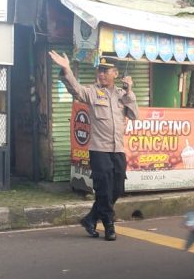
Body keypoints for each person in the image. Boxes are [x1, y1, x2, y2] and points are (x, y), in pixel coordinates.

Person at [48, 51, 138, 241]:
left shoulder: (123, 95)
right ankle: (109, 224)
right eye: (99, 70)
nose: (101, 74)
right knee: (104, 189)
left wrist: (130, 91)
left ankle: (90, 219)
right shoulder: (93, 92)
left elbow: (133, 115)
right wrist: (67, 68)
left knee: (117, 188)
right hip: (99, 149)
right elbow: (76, 90)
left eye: (105, 71)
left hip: (118, 149)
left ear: (116, 73)